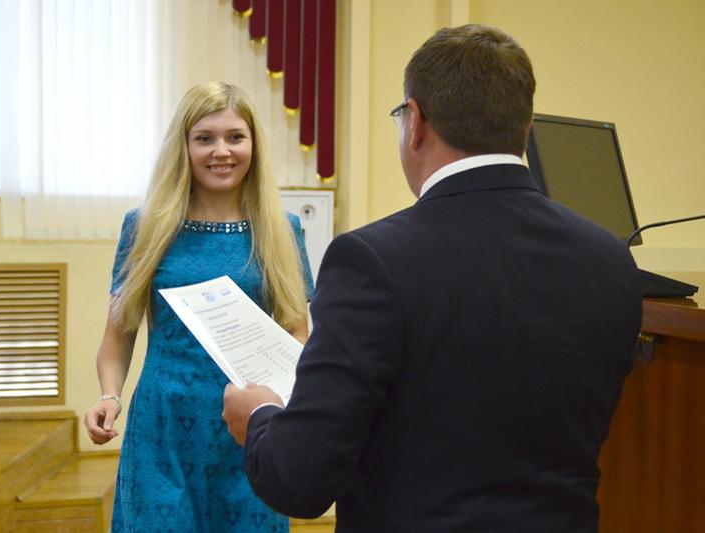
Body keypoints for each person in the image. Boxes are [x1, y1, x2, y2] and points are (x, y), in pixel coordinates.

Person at [222, 24, 642, 532]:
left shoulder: (371, 260)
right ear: (527, 127)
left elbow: (299, 480)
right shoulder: (611, 260)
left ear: (415, 122)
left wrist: (261, 416)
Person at [84, 81, 314, 533]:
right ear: (184, 146)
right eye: (204, 138)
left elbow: (295, 332)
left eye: (235, 137)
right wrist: (109, 396)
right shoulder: (144, 226)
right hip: (162, 426)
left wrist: (280, 403)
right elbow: (118, 335)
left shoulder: (282, 228)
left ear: (253, 145)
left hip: (249, 426)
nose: (221, 151)